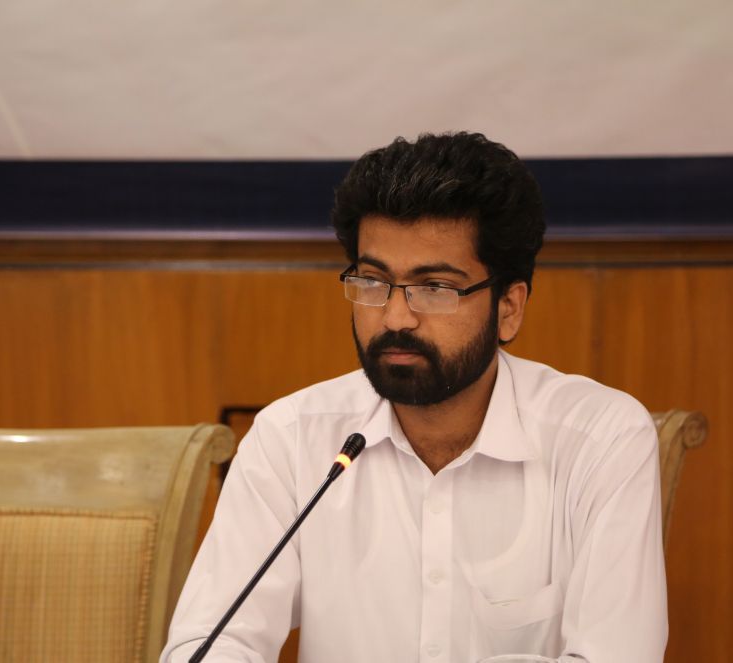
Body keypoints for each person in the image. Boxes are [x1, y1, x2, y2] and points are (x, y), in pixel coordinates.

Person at [161, 132, 667, 663]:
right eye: (373, 281)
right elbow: (211, 642)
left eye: (435, 288)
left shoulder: (599, 440)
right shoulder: (291, 437)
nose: (396, 317)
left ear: (508, 307)